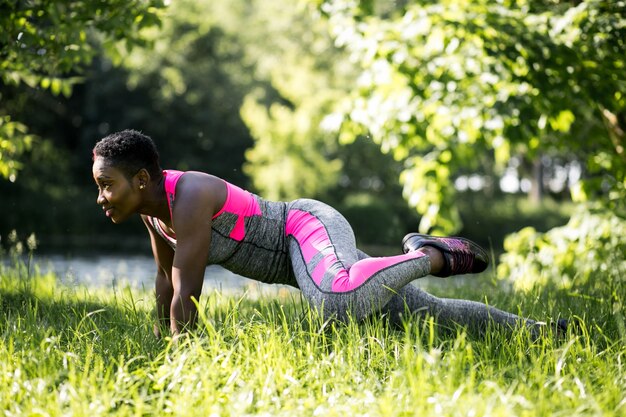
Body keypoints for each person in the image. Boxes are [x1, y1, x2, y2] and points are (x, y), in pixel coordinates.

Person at [92, 129, 556, 338]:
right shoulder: (155, 215)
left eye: (106, 185)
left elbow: (187, 292)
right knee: (421, 314)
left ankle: (431, 254)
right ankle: (540, 332)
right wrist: (158, 338)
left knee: (336, 302)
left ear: (141, 181)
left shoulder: (188, 193)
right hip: (300, 265)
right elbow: (166, 282)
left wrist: (179, 353)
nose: (101, 197)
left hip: (306, 226)